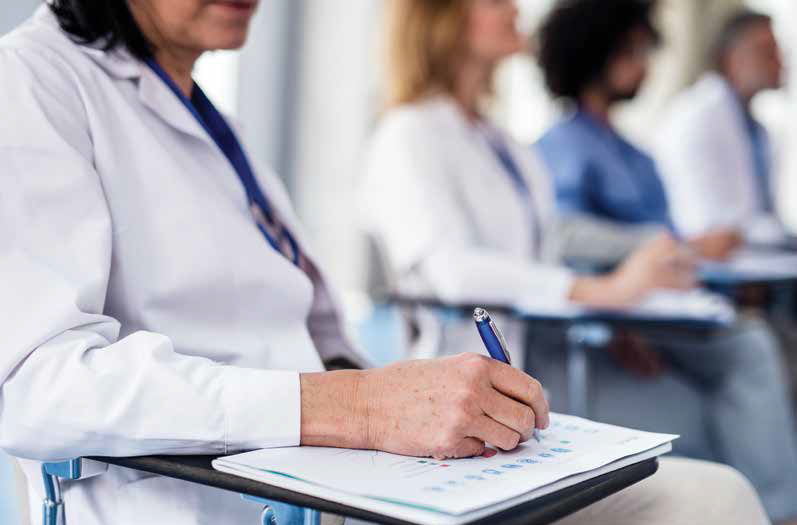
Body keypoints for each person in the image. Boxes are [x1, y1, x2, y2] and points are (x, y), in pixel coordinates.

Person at [0, 2, 764, 525]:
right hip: (214, 495)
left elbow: (314, 336)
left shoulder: (209, 119)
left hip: (344, 473)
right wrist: (359, 407)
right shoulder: (33, 83)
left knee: (708, 493)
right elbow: (30, 384)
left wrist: (405, 405)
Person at [533, 1, 797, 522]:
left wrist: (681, 253)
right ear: (599, 55)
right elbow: (561, 241)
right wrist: (649, 254)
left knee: (759, 339)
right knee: (751, 347)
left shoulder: (638, 155)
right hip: (611, 320)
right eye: (634, 54)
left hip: (667, 312)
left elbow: (674, 245)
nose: (645, 68)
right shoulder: (562, 147)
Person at [653, 9, 786, 244]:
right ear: (733, 60)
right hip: (717, 264)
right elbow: (709, 223)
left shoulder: (757, 128)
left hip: (758, 254)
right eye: (767, 52)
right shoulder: (698, 118)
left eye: (778, 52)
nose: (780, 62)